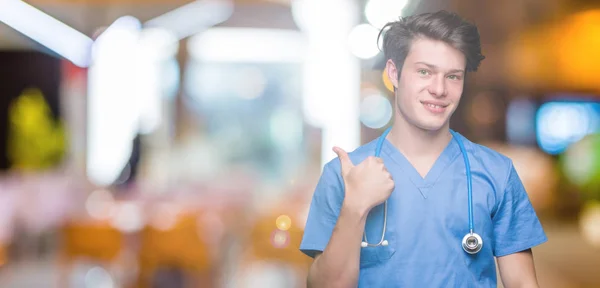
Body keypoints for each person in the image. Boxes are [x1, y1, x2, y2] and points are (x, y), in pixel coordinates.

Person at [299, 10, 547, 287]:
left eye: (453, 76)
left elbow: (524, 284)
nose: (439, 89)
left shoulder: (497, 173)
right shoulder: (343, 175)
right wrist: (354, 207)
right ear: (394, 72)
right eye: (424, 72)